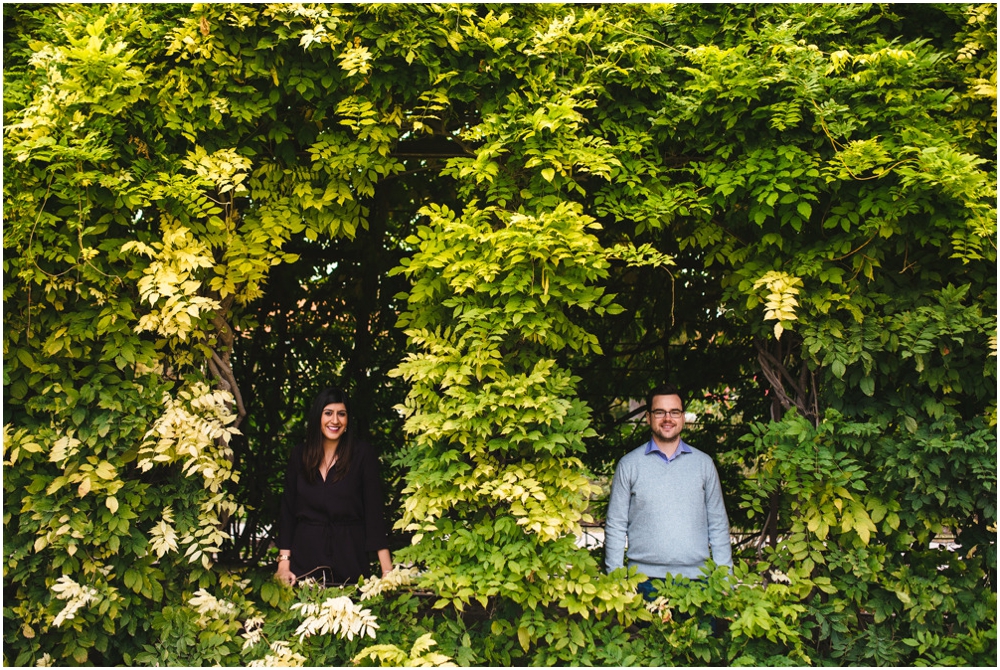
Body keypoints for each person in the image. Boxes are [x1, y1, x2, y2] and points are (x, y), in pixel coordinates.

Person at [604, 383, 732, 588]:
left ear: (682, 417)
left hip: (699, 582)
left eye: (674, 412)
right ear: (648, 417)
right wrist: (616, 583)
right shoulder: (629, 465)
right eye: (660, 412)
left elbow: (718, 525)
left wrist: (725, 582)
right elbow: (616, 526)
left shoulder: (704, 464)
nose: (667, 419)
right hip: (642, 582)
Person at [275, 387, 393, 586]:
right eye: (328, 413)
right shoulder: (299, 455)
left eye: (342, 414)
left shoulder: (362, 454)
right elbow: (287, 511)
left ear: (348, 420)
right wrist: (283, 565)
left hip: (350, 559)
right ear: (317, 418)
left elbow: (374, 513)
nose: (335, 421)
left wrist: (387, 571)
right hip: (305, 561)